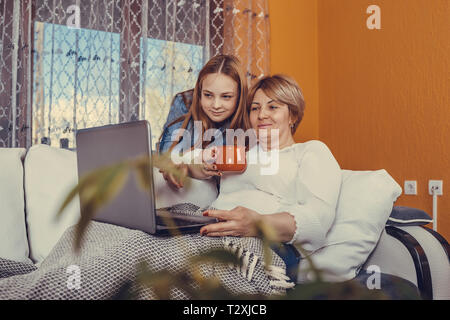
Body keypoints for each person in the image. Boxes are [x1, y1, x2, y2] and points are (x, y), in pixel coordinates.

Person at [199, 74, 342, 282]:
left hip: (266, 246)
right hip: (210, 232)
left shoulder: (310, 151)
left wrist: (257, 223)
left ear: (292, 115)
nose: (261, 114)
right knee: (137, 242)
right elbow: (200, 165)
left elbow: (317, 219)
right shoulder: (242, 155)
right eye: (255, 108)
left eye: (273, 107)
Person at [157, 54, 249, 189]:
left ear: (239, 97)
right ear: (199, 92)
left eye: (226, 97)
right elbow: (167, 157)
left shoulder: (249, 115)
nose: (216, 105)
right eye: (208, 95)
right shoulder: (184, 102)